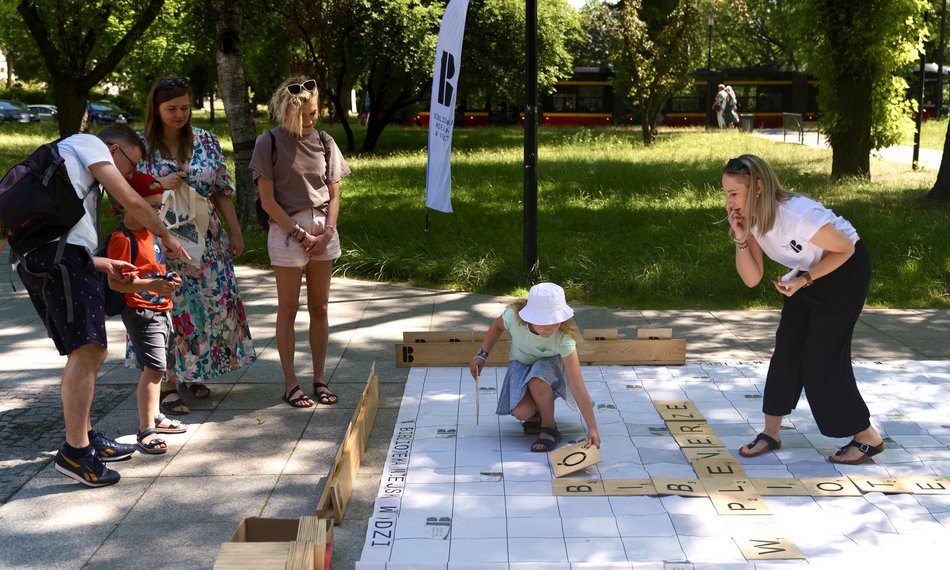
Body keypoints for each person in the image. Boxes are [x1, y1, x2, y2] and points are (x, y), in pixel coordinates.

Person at [14, 124, 188, 487]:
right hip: (60, 261)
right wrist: (167, 236)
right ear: (113, 148)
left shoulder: (68, 156)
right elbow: (133, 200)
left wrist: (99, 262)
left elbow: (58, 230)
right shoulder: (91, 145)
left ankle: (86, 437)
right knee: (88, 350)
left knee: (88, 351)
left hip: (55, 258)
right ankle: (76, 453)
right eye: (130, 163)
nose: (128, 173)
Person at [722, 155, 883, 465]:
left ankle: (867, 438)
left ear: (756, 188)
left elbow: (846, 249)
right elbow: (752, 279)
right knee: (787, 350)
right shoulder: (751, 218)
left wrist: (806, 279)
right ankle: (771, 433)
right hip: (806, 273)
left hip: (845, 271)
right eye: (725, 194)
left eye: (733, 194)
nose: (729, 202)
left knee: (820, 358)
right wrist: (742, 238)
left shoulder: (796, 214)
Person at [138, 76, 256, 415]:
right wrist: (159, 184)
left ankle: (195, 371)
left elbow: (221, 190)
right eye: (171, 108)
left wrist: (235, 232)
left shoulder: (205, 140)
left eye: (185, 108)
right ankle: (169, 384)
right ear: (156, 109)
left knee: (206, 306)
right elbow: (127, 194)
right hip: (161, 238)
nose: (179, 115)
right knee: (169, 305)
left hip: (207, 236)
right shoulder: (142, 146)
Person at [250, 76, 349, 408]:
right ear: (286, 112)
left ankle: (320, 379)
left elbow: (335, 193)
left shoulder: (325, 140)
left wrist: (328, 232)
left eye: (314, 113)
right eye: (304, 115)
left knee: (320, 308)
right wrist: (299, 233)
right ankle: (291, 383)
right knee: (288, 310)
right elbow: (267, 201)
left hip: (323, 231)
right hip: (287, 232)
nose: (310, 120)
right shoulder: (269, 143)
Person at [105, 173, 185, 455]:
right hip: (141, 311)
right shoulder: (122, 238)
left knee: (154, 365)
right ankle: (145, 430)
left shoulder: (152, 233)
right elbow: (115, 283)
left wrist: (169, 279)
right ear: (129, 203)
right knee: (155, 368)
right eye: (150, 208)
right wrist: (152, 285)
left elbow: (154, 269)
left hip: (162, 309)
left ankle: (155, 415)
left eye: (159, 208)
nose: (156, 214)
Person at [469, 283, 601, 452]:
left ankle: (549, 428)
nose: (548, 328)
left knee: (537, 380)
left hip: (549, 368)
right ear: (528, 317)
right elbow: (496, 327)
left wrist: (592, 428)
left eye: (554, 321)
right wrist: (482, 354)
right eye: (542, 322)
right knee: (521, 412)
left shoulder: (564, 338)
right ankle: (536, 412)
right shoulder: (513, 318)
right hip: (521, 363)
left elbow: (577, 385)